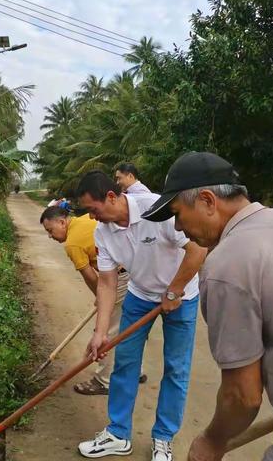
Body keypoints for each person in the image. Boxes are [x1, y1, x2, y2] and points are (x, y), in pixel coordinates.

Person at [142, 151, 273, 461]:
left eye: (178, 213)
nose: (178, 227)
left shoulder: (227, 265)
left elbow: (242, 396)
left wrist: (213, 440)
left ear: (207, 200)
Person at [76, 171, 207, 461]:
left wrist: (174, 291)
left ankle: (163, 438)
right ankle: (118, 433)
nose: (92, 218)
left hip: (182, 296)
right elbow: (107, 284)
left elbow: (198, 249)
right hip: (139, 295)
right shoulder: (103, 232)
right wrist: (100, 332)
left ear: (111, 197)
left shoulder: (157, 209)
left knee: (176, 368)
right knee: (124, 363)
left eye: (92, 210)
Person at [40, 206, 147, 395]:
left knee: (108, 329)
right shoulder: (84, 220)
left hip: (120, 276)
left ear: (62, 222)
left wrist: (102, 299)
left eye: (50, 231)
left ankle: (103, 381)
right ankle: (135, 371)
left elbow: (90, 276)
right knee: (129, 325)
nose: (50, 236)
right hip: (136, 269)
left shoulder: (72, 244)